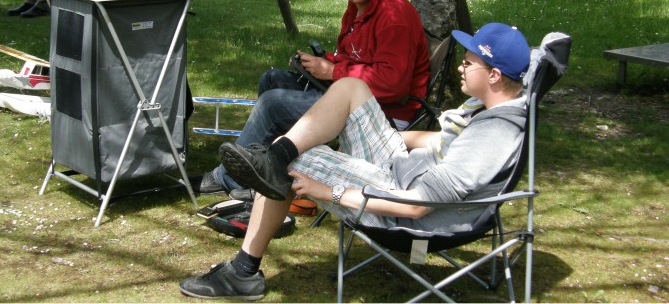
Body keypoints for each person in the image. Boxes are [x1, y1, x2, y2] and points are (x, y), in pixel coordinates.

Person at [179, 22, 531, 300]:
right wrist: (390, 138)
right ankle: (276, 154)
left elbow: (418, 207)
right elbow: (446, 145)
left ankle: (243, 273)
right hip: (403, 170)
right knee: (350, 88)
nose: (460, 67)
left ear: (495, 76)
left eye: (469, 63)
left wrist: (327, 190)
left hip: (401, 206)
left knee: (295, 165)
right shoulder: (493, 110)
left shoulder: (493, 134)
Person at [191, 0, 430, 196]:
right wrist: (322, 61)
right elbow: (356, 59)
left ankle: (232, 179)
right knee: (272, 79)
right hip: (356, 99)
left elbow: (393, 84)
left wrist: (332, 71)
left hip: (383, 114)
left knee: (273, 104)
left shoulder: (395, 17)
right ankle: (273, 170)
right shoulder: (358, 8)